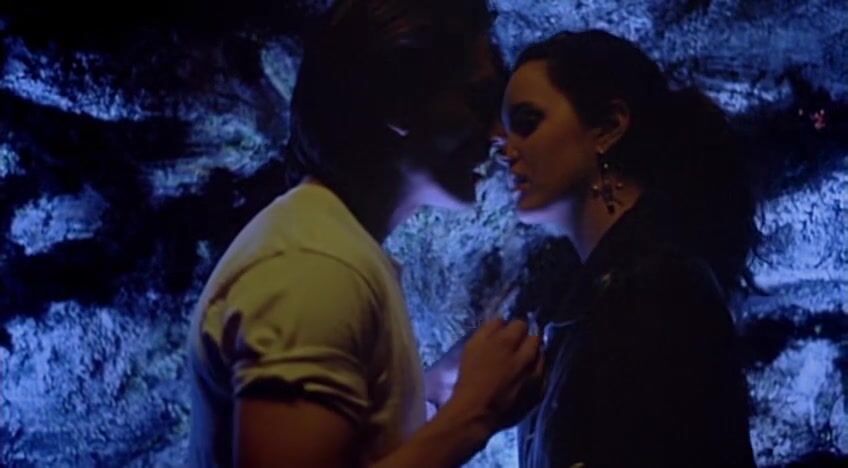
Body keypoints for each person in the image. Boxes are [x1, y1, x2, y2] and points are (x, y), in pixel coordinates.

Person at [187, 0, 544, 467]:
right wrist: (474, 414)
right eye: (478, 99)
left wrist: (425, 395)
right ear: (399, 102)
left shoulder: (325, 247)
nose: (499, 133)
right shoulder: (314, 267)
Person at [497, 30, 759, 467]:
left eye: (527, 123)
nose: (507, 151)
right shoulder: (595, 298)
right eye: (503, 135)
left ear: (607, 128)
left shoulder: (657, 290)